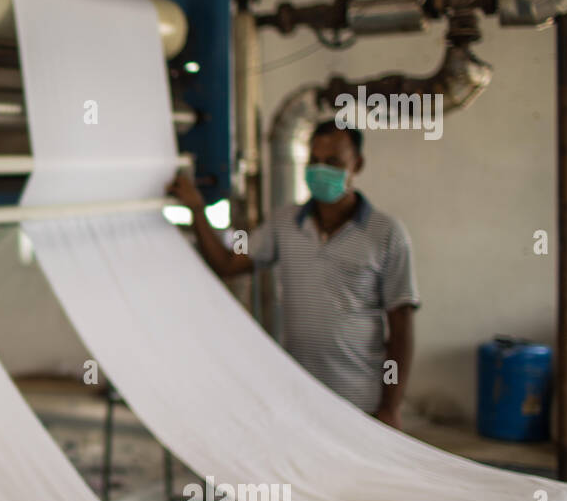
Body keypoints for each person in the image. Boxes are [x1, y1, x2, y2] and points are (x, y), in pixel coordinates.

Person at [168, 119, 419, 429]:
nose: (320, 169)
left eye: (333, 162)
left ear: (358, 165)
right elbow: (228, 265)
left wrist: (390, 406)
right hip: (300, 397)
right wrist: (196, 210)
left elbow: (401, 325)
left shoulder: (386, 233)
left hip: (359, 401)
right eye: (313, 161)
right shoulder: (285, 223)